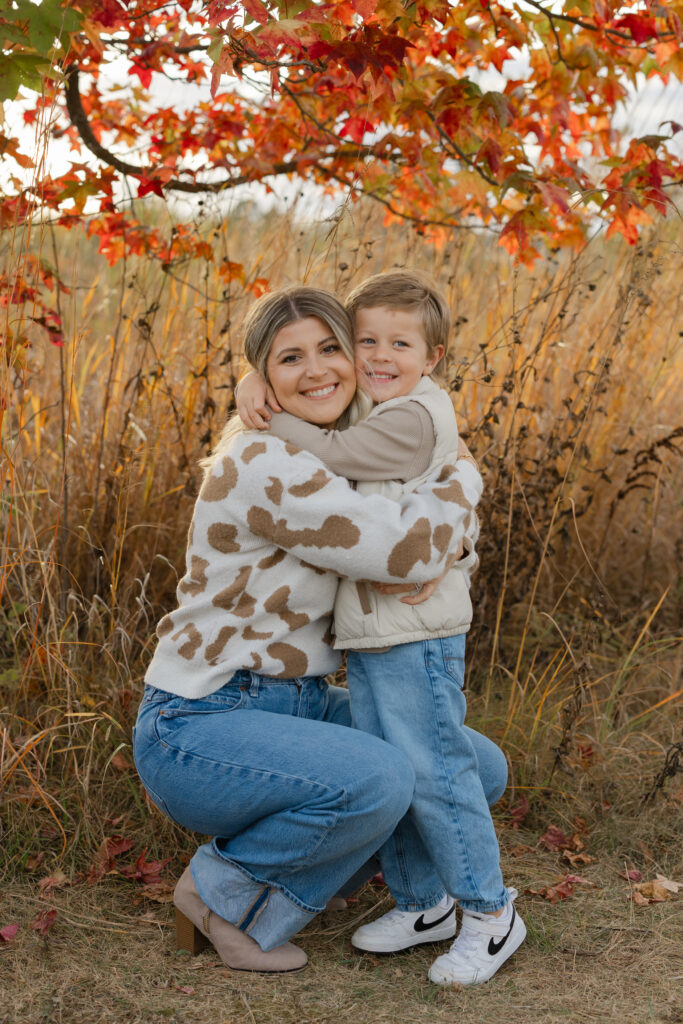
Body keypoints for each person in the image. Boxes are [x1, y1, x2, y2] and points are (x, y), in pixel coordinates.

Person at [133, 285, 506, 977]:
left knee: (476, 766)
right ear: (264, 379)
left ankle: (335, 880)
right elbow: (406, 550)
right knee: (382, 776)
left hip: (292, 707)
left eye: (331, 348)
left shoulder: (338, 453)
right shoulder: (268, 463)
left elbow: (415, 531)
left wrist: (456, 542)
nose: (318, 370)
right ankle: (220, 895)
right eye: (288, 360)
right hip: (202, 722)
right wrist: (461, 473)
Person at [237, 270, 525, 986]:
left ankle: (489, 915)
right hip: (375, 630)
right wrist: (249, 381)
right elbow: (323, 396)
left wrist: (268, 411)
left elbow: (330, 453)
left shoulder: (412, 418)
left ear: (433, 356)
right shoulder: (375, 402)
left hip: (415, 631)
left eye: (401, 342)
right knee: (398, 771)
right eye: (364, 339)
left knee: (436, 772)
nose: (378, 355)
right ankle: (422, 902)